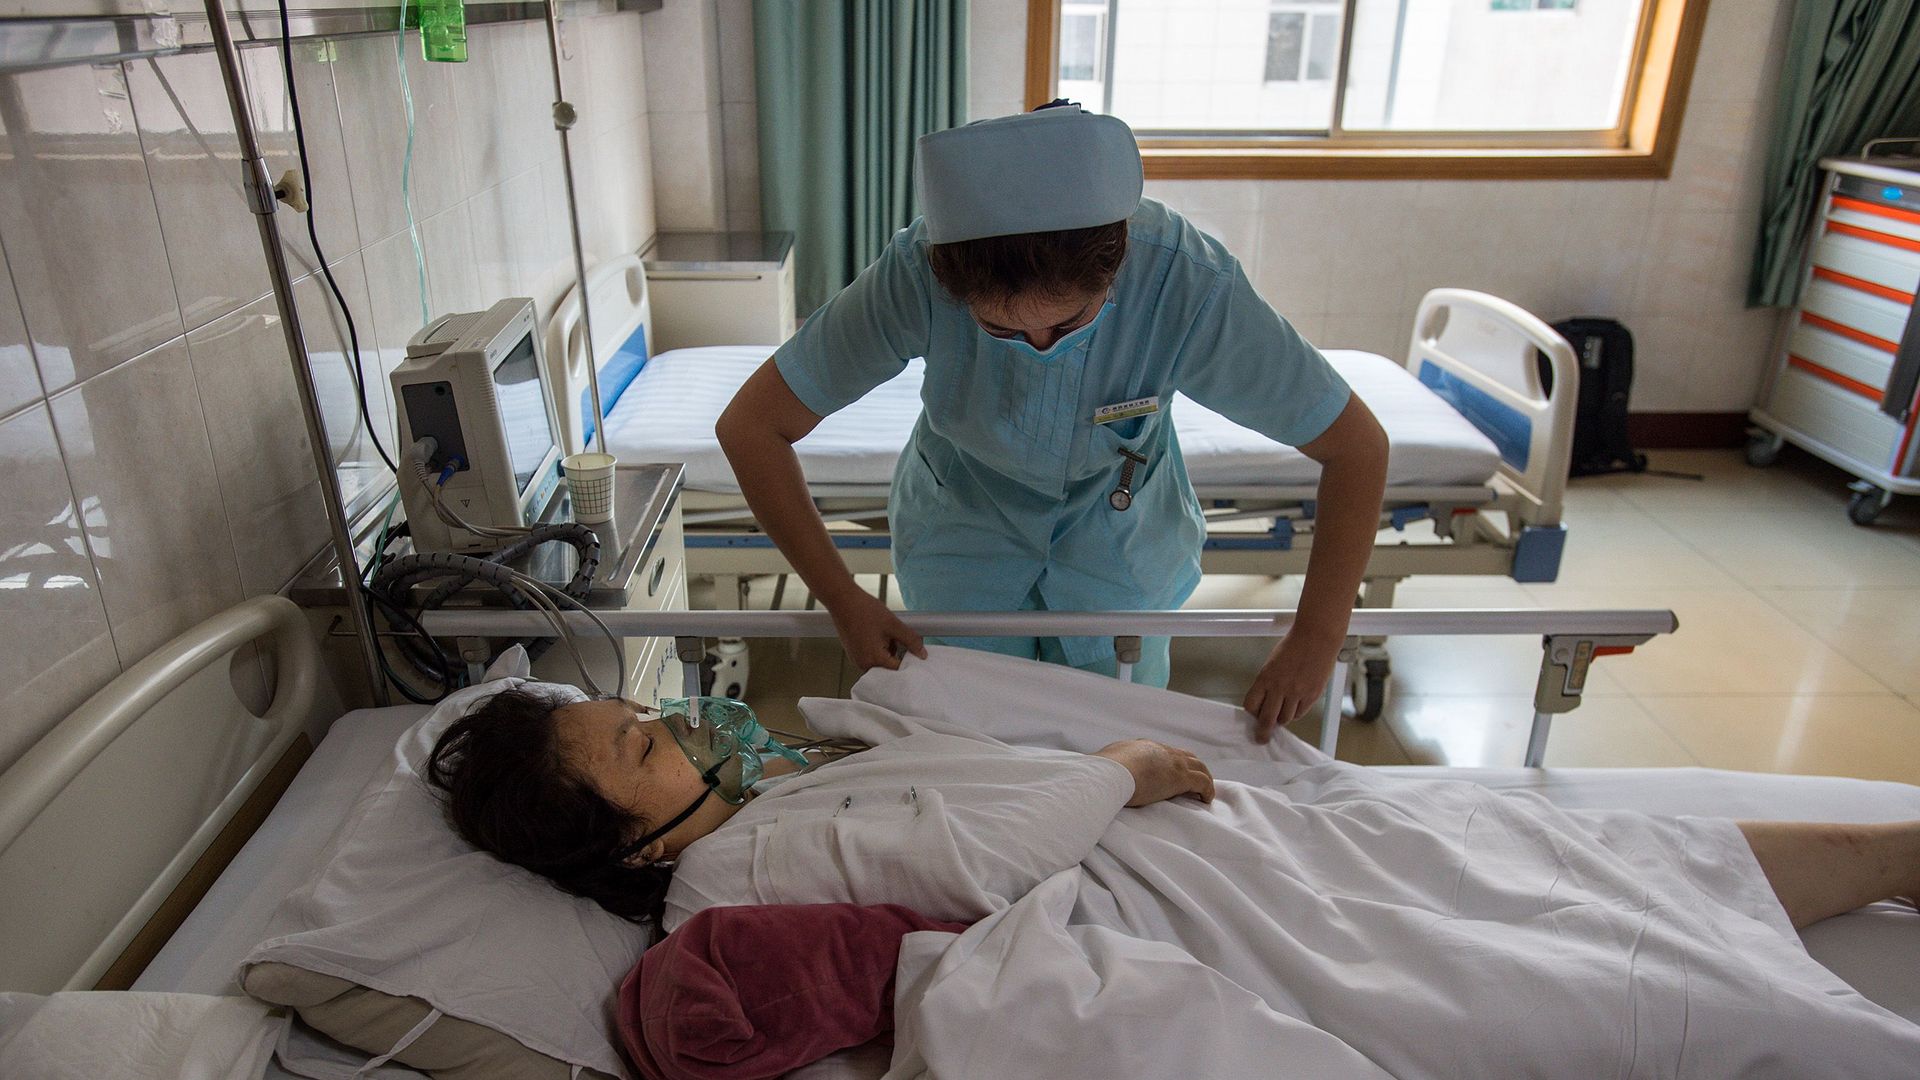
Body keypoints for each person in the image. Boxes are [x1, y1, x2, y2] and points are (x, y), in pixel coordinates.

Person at [715, 103, 1390, 739]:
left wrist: (1318, 634)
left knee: (1118, 765)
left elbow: (1356, 446)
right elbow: (752, 426)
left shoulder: (1186, 284)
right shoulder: (916, 274)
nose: (1041, 351)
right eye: (999, 331)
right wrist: (842, 599)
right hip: (964, 546)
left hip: (1119, 557)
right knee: (971, 767)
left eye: (1069, 325)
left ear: (1120, 259)